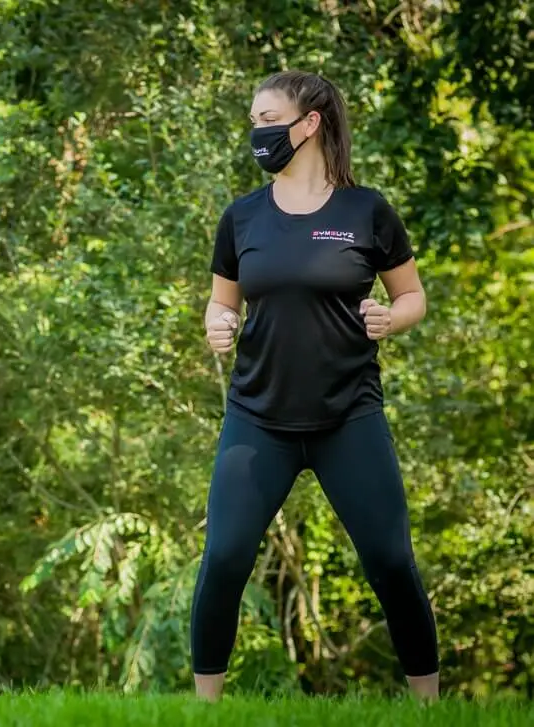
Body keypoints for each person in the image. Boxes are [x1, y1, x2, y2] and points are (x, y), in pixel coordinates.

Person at [191, 70, 439, 701]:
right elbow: (221, 303)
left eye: (269, 120)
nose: (258, 132)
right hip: (257, 417)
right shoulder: (242, 217)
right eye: (253, 122)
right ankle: (203, 710)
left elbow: (412, 296)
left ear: (310, 124)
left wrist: (392, 318)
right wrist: (218, 323)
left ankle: (431, 707)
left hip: (348, 416)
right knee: (224, 559)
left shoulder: (366, 211)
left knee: (390, 561)